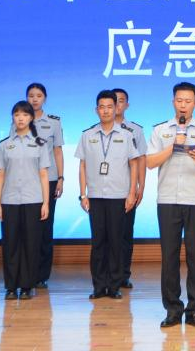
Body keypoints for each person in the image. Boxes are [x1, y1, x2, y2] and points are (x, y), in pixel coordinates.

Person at [146, 81, 195, 329]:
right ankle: (172, 310)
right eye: (179, 100)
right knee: (169, 256)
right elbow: (150, 162)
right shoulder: (160, 130)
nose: (183, 105)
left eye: (188, 101)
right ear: (173, 102)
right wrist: (173, 147)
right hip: (168, 199)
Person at [77, 90, 139, 299]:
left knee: (115, 242)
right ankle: (98, 286)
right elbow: (82, 165)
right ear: (96, 110)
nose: (105, 111)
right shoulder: (87, 135)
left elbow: (134, 164)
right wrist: (83, 194)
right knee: (98, 242)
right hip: (95, 196)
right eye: (102, 107)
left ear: (116, 108)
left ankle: (114, 286)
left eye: (109, 107)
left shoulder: (127, 135)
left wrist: (132, 193)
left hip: (118, 196)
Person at [0, 101, 51, 300]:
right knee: (10, 244)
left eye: (25, 115)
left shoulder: (40, 143)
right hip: (9, 200)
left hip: (33, 199)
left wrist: (45, 203)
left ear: (31, 118)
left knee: (30, 244)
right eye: (17, 114)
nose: (21, 118)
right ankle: (11, 287)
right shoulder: (4, 145)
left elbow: (44, 174)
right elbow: (0, 175)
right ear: (13, 117)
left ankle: (27, 286)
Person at [26, 83, 65, 289]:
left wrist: (60, 178)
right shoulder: (19, 119)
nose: (34, 99)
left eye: (38, 95)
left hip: (48, 180)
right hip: (25, 180)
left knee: (45, 227)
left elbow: (57, 151)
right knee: (27, 228)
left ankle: (42, 275)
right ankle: (27, 272)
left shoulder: (54, 122)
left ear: (45, 98)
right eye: (31, 95)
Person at [113, 88, 146, 290]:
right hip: (105, 191)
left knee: (125, 234)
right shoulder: (95, 131)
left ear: (127, 105)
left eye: (121, 100)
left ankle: (123, 274)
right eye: (114, 100)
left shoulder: (135, 130)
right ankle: (108, 275)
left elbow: (141, 158)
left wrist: (141, 186)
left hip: (128, 189)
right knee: (107, 236)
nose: (117, 104)